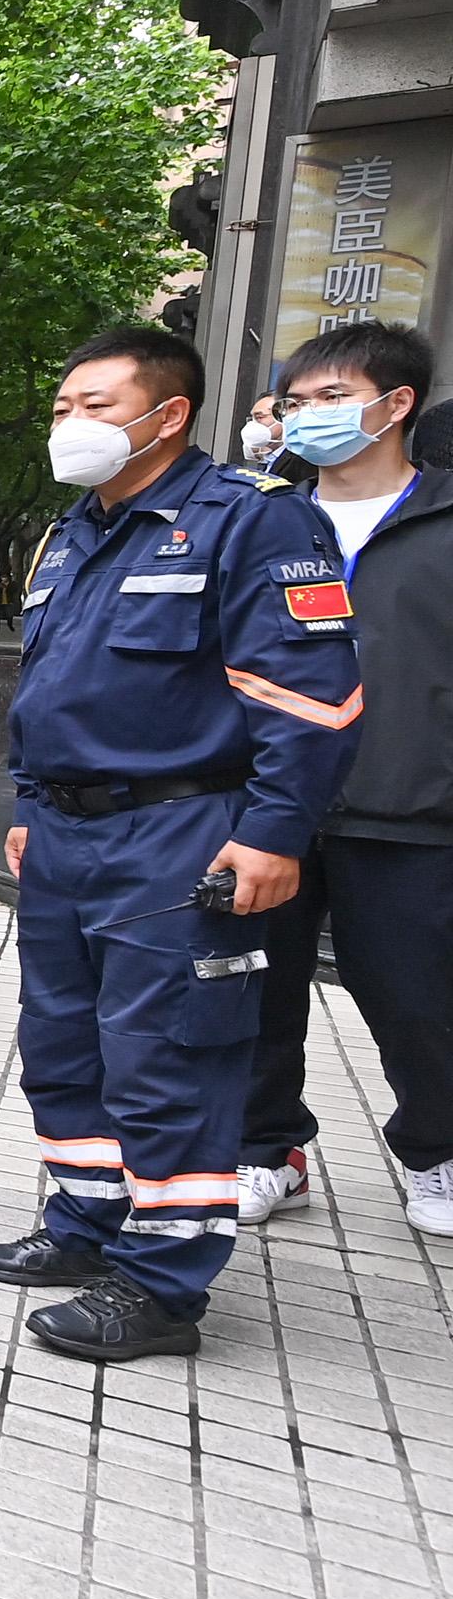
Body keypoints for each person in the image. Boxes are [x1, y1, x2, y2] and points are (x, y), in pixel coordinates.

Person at [0, 325, 360, 1361]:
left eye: (95, 406)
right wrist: (24, 801)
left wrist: (275, 832)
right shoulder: (74, 534)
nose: (70, 425)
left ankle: (162, 1284)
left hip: (179, 833)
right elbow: (53, 689)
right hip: (61, 832)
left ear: (167, 414)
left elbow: (312, 697)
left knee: (170, 1055)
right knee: (65, 1042)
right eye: (61, 408)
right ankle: (86, 1226)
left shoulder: (250, 521)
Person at [236, 321, 453, 1235]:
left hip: (409, 805)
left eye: (331, 399)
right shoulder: (257, 520)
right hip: (266, 805)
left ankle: (439, 1153)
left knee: (419, 998)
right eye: (295, 402)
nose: (305, 418)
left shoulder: (443, 519)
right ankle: (265, 1151)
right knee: (250, 992)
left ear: (396, 403)